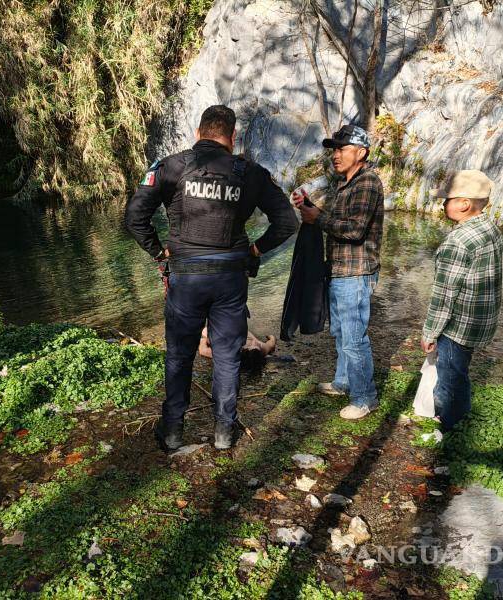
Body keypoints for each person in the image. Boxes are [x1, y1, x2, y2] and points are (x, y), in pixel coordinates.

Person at [125, 105, 297, 451]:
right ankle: (223, 432)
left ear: (198, 131)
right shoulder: (250, 173)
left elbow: (135, 216)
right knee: (227, 356)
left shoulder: (172, 166)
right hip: (229, 281)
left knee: (179, 355)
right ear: (233, 138)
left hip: (186, 279)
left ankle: (172, 430)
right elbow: (287, 222)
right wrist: (255, 250)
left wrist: (159, 252)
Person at [295, 124, 384, 420]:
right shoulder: (343, 182)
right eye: (334, 149)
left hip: (356, 273)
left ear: (361, 152)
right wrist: (311, 208)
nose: (336, 154)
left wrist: (317, 217)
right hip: (338, 270)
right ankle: (344, 382)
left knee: (355, 336)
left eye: (342, 149)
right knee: (340, 332)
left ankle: (365, 397)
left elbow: (355, 230)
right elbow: (334, 219)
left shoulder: (367, 182)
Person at [421, 170, 503, 431]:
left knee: (450, 373)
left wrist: (430, 332)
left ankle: (448, 421)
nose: (443, 203)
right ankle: (459, 410)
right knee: (460, 368)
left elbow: (444, 295)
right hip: (481, 319)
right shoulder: (490, 229)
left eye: (447, 199)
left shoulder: (457, 241)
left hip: (459, 324)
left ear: (464, 204)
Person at [198, 323, 277, 371]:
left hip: (224, 332)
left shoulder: (229, 353)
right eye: (257, 344)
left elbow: (203, 351)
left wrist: (204, 339)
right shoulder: (262, 349)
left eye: (251, 344)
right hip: (236, 327)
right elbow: (271, 343)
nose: (255, 342)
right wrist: (271, 337)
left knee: (205, 331)